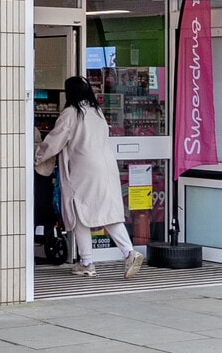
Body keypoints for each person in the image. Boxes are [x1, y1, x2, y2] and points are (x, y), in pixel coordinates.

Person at [34, 76, 144, 279]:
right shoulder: (97, 112)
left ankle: (87, 262)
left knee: (78, 213)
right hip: (106, 167)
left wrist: (37, 155)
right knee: (106, 212)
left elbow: (54, 142)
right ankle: (128, 252)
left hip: (83, 169)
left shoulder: (71, 113)